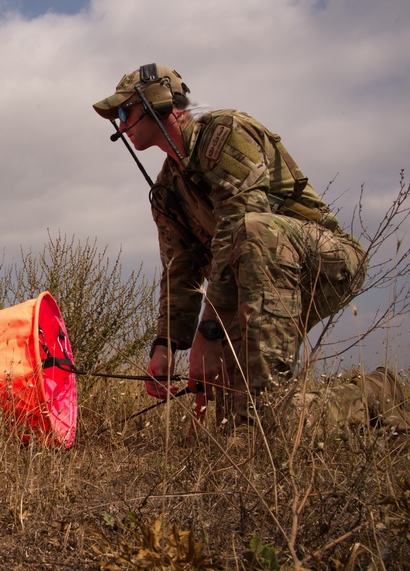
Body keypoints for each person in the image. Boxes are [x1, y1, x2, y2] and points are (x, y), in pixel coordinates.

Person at [92, 64, 369, 426]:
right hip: (253, 282)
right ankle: (371, 398)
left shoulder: (225, 132)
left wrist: (209, 332)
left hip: (321, 265)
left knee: (252, 229)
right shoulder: (166, 191)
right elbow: (179, 268)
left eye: (125, 111)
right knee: (249, 417)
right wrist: (165, 346)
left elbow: (243, 226)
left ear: (157, 102)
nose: (121, 123)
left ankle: (377, 390)